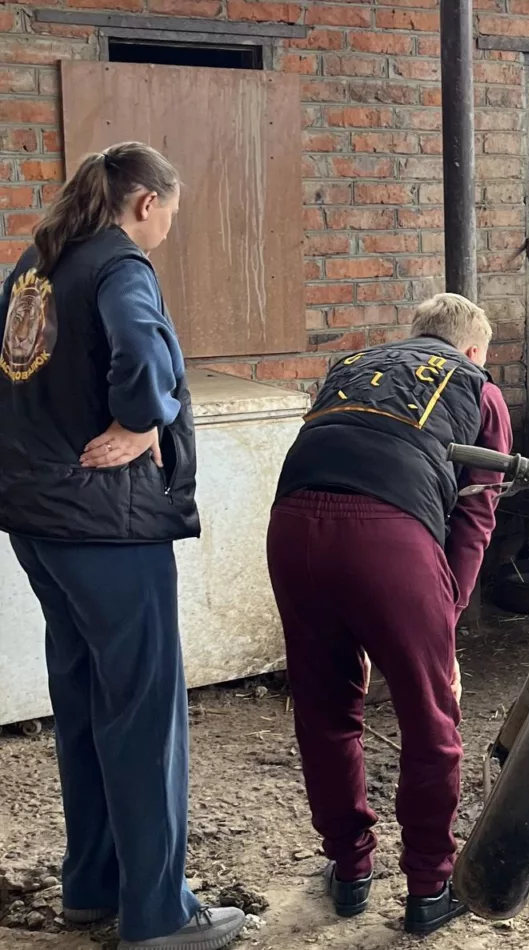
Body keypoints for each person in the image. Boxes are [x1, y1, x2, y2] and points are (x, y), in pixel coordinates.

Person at [0, 142, 244, 950]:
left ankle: (94, 884)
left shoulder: (32, 270)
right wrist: (143, 417)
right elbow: (141, 353)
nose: (168, 225)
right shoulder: (118, 267)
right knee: (142, 710)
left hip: (36, 522)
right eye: (170, 212)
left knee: (84, 698)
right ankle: (159, 914)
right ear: (146, 203)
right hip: (104, 524)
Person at [267, 293, 513, 935]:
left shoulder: (349, 370)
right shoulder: (479, 389)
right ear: (471, 351)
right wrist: (446, 622)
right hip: (390, 537)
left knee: (324, 711)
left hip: (291, 526)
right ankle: (430, 887)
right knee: (430, 719)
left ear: (413, 335)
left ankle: (348, 871)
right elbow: (476, 515)